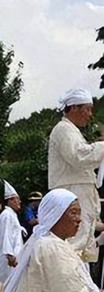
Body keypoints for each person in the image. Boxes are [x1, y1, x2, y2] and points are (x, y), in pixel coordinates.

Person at [48, 88, 104, 264]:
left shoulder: (72, 131)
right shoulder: (63, 129)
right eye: (87, 109)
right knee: (73, 243)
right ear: (73, 108)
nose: (89, 115)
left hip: (79, 190)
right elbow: (79, 156)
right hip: (72, 191)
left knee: (81, 244)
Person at [0, 181, 25, 283]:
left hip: (14, 254)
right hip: (6, 257)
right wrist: (9, 254)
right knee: (0, 280)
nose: (19, 202)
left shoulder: (11, 214)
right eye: (17, 199)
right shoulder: (7, 215)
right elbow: (6, 235)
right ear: (11, 200)